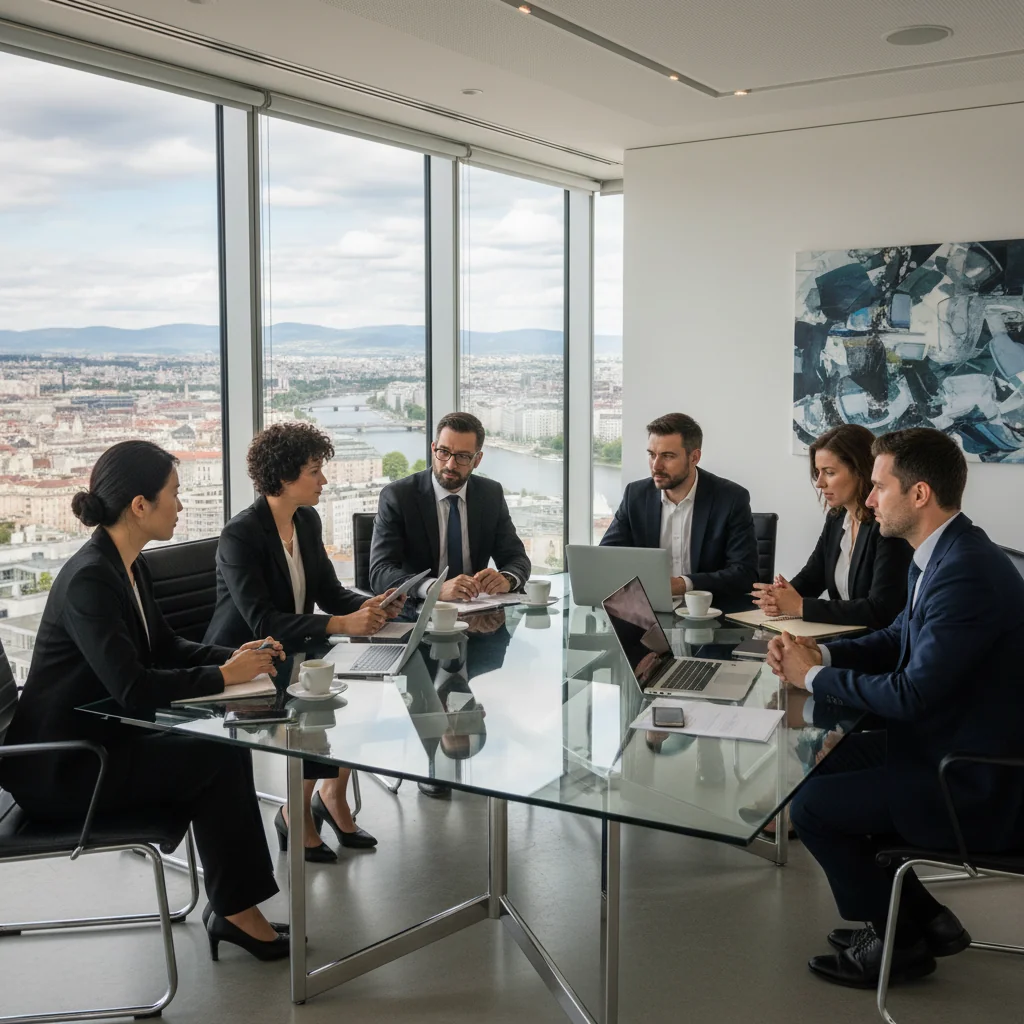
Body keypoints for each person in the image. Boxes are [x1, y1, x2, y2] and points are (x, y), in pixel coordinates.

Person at [0, 441, 290, 961]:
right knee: (216, 753)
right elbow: (131, 688)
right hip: (62, 767)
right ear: (140, 505)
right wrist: (224, 675)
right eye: (174, 495)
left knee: (217, 746)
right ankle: (236, 911)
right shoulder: (90, 578)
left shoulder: (128, 565)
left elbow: (165, 646)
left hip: (102, 739)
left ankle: (235, 906)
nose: (182, 505)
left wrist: (235, 656)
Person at [767, 428, 1024, 989]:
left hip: (974, 778)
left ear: (920, 494)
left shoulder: (966, 573)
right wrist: (823, 651)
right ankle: (925, 917)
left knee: (813, 808)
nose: (868, 498)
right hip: (941, 745)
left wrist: (811, 676)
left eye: (879, 487)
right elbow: (897, 639)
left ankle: (900, 941)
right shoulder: (942, 553)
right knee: (820, 767)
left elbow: (912, 693)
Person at [205, 423, 401, 861]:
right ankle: (294, 813)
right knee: (321, 705)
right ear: (283, 477)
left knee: (365, 689)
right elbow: (262, 620)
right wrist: (340, 625)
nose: (324, 481)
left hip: (296, 652)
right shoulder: (241, 535)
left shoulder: (306, 521)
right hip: (247, 663)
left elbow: (330, 593)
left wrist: (376, 605)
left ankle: (331, 796)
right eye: (315, 471)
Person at [752, 423, 912, 629]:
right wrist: (778, 596)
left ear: (860, 471)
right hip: (842, 636)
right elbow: (813, 577)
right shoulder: (837, 518)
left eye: (829, 472)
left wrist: (801, 606)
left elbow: (880, 610)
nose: (819, 483)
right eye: (818, 472)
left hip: (877, 647)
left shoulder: (888, 526)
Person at [600, 413, 757, 612]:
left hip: (710, 615)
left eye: (668, 456)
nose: (656, 466)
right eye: (652, 454)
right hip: (647, 614)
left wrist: (683, 584)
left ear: (694, 457)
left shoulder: (731, 499)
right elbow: (607, 558)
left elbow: (745, 574)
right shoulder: (636, 495)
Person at [369, 411, 531, 602]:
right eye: (443, 452)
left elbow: (517, 558)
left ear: (477, 460)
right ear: (433, 449)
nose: (450, 464)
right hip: (418, 615)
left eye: (462, 456)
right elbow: (380, 572)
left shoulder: (490, 494)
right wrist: (433, 588)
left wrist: (507, 579)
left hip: (476, 612)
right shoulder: (398, 496)